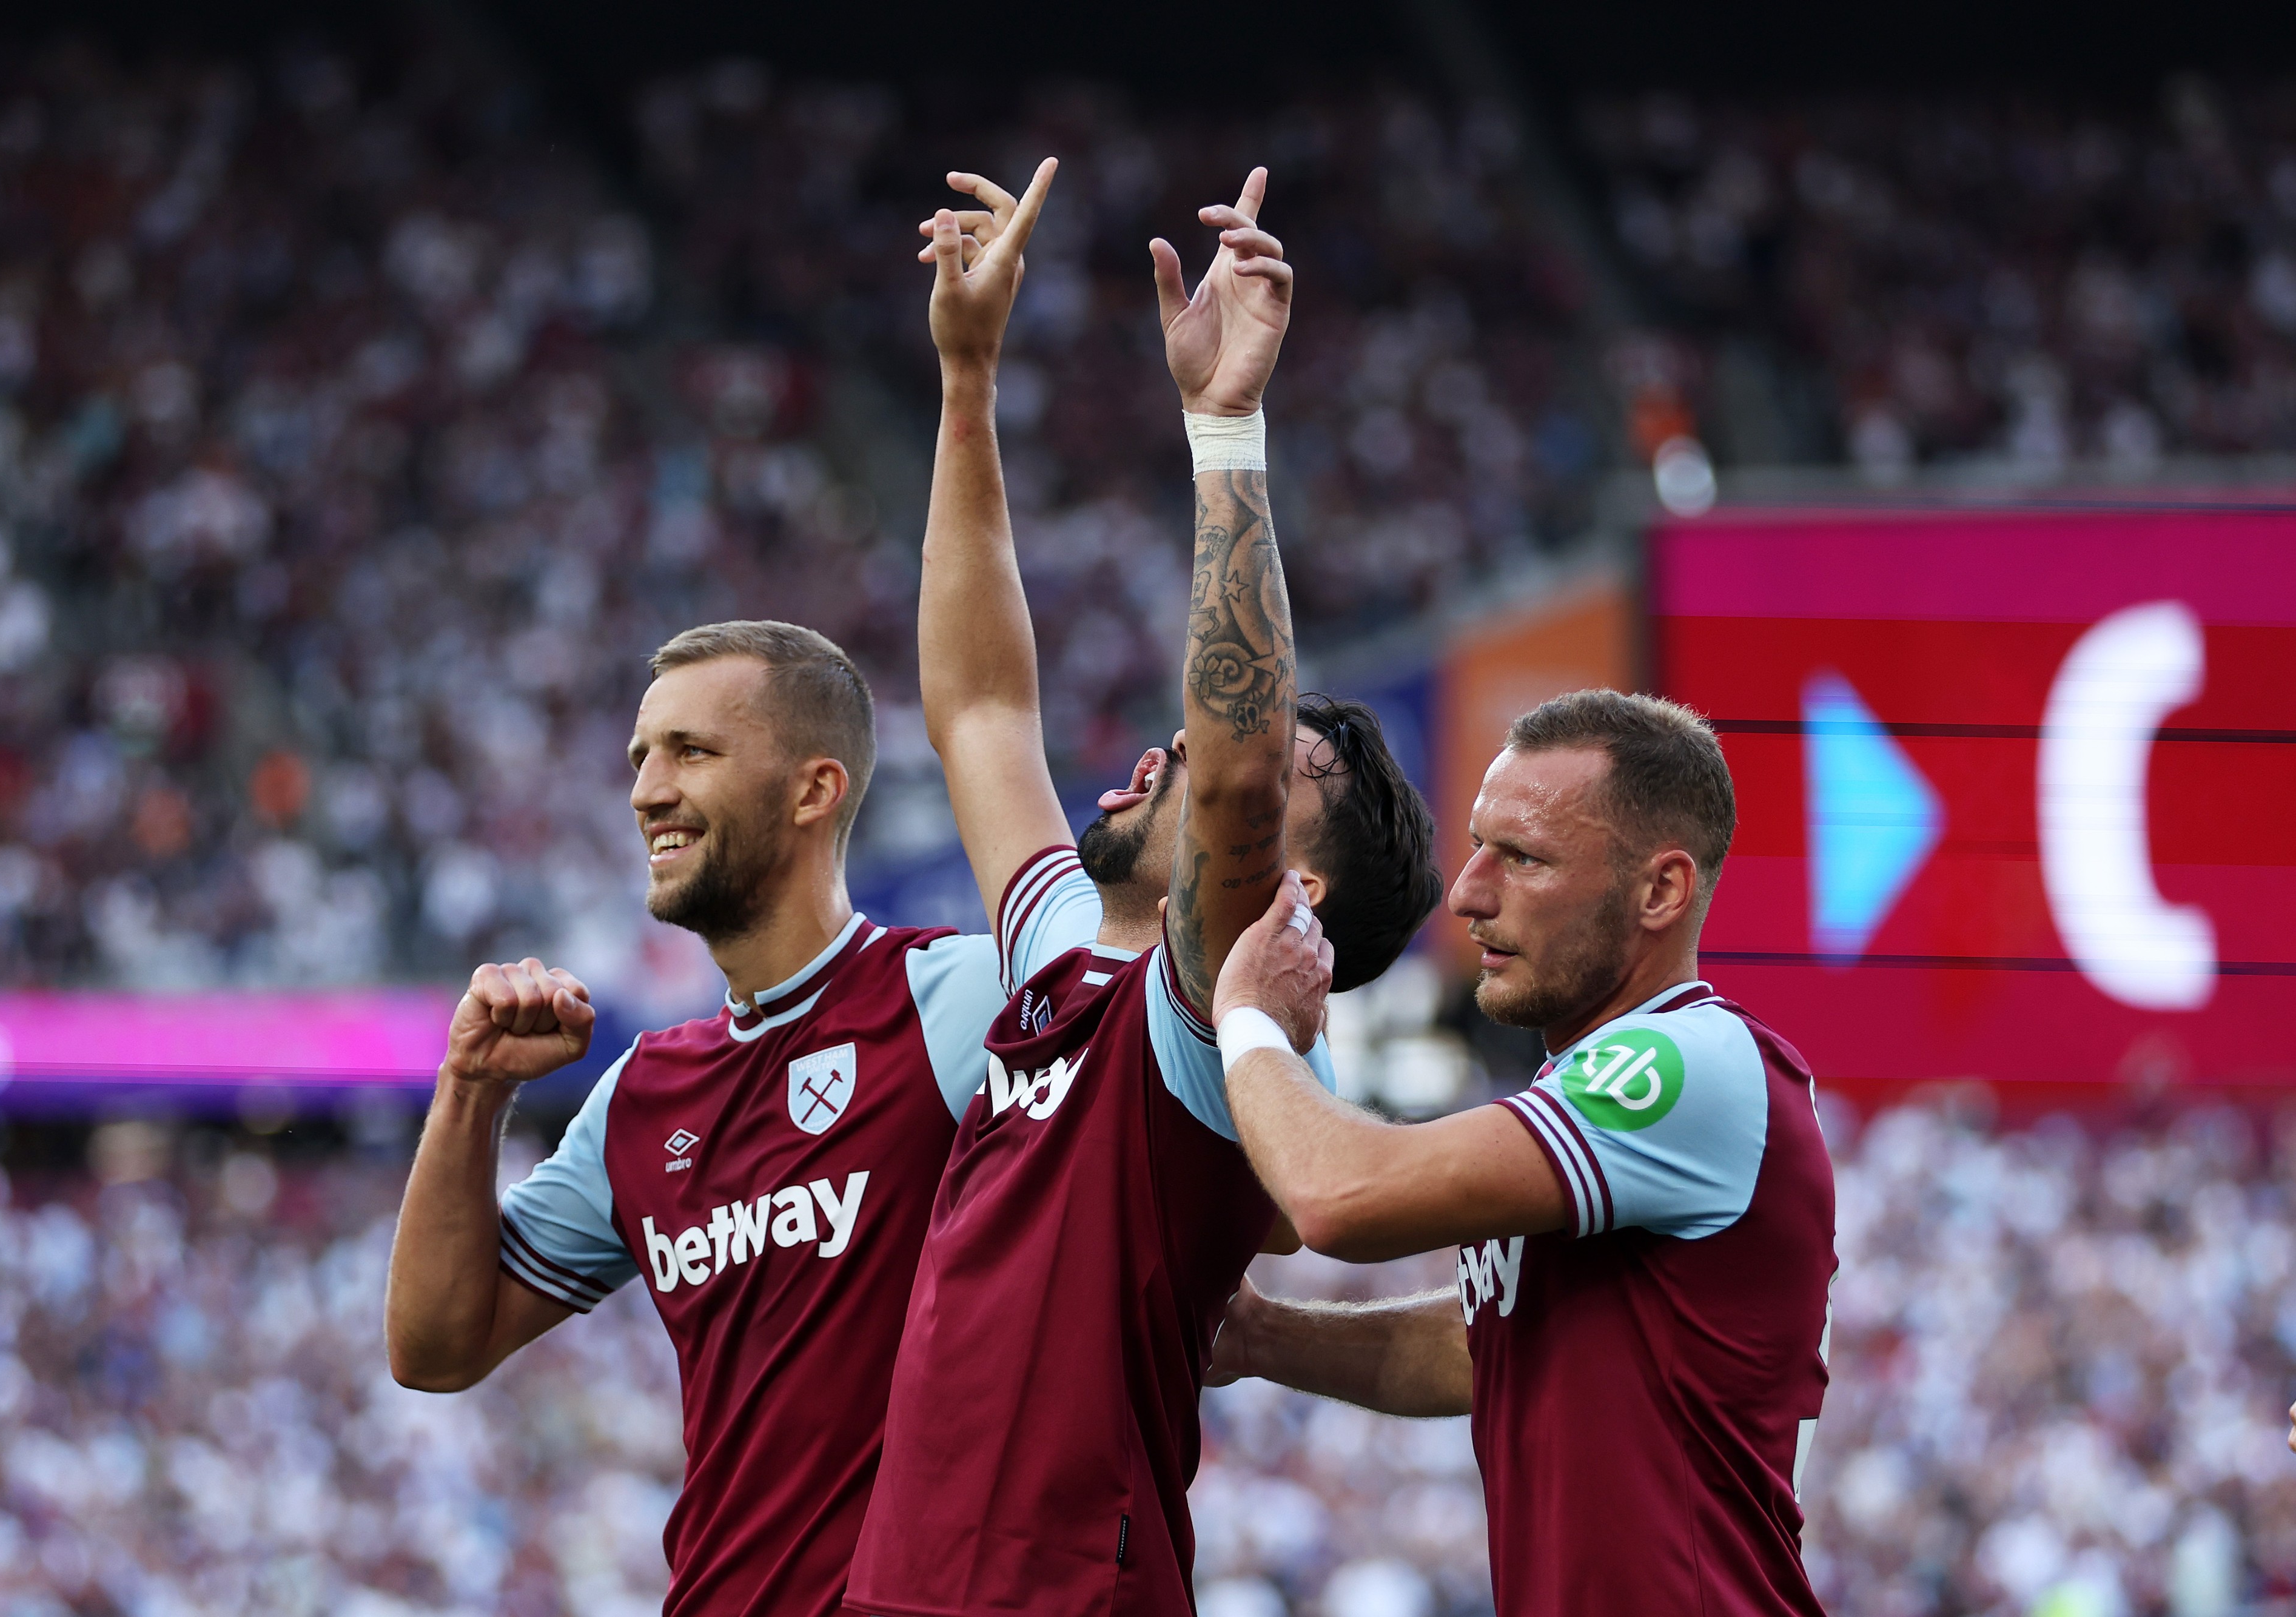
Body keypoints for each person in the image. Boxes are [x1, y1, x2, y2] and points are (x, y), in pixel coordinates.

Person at [844, 165, 1441, 1615]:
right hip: (904, 1584)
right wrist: (966, 378)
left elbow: (1230, 771)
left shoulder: (1205, 1021)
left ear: (1284, 888)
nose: (1168, 745)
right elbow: (981, 707)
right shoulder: (1064, 945)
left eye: (1247, 766)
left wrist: (1222, 423)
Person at [384, 622, 1043, 1615]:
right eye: (643, 757)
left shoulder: (962, 998)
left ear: (813, 789)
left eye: (692, 752)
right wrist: (471, 1089)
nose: (648, 791)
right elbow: (435, 1347)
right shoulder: (644, 1098)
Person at [1206, 690, 1837, 1617]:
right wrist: (1264, 1335)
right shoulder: (1589, 1097)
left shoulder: (1686, 1059)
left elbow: (1338, 1196)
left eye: (1525, 858)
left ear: (1661, 890)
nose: (1467, 891)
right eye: (1477, 844)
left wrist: (1249, 1015)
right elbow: (1491, 1345)